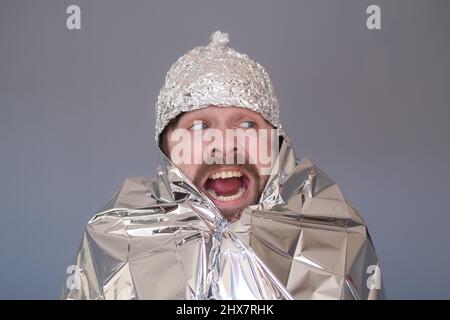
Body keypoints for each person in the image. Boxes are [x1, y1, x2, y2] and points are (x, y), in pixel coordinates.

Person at [64, 31, 385, 300]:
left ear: (277, 143)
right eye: (199, 127)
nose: (225, 144)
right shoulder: (114, 240)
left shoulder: (336, 236)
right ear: (167, 149)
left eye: (246, 126)